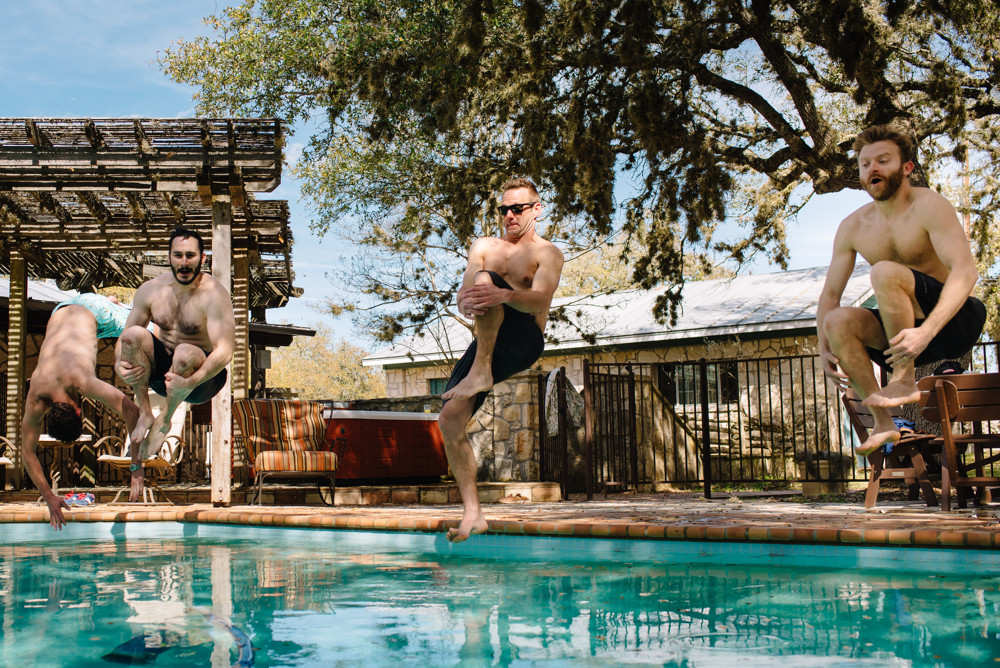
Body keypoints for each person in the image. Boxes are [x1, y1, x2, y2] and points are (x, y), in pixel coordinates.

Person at [817, 124, 985, 456]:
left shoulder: (929, 206)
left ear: (907, 168)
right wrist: (824, 348)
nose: (872, 169)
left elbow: (966, 272)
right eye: (865, 164)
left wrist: (927, 332)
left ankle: (903, 379)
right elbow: (830, 295)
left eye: (883, 160)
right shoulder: (853, 226)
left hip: (953, 323)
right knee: (835, 321)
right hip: (902, 337)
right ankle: (883, 425)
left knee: (885, 272)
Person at [439, 177, 565, 542]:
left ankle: (480, 372)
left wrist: (499, 294)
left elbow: (540, 300)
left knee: (487, 281)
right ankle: (474, 515)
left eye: (518, 208)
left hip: (523, 340)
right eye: (503, 209)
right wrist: (469, 301)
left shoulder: (547, 253)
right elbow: (466, 294)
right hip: (487, 344)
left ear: (536, 209)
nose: (509, 215)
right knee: (449, 422)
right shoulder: (484, 246)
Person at [115, 226, 235, 501]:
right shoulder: (151, 291)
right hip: (163, 376)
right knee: (132, 336)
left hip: (202, 378)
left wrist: (190, 381)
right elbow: (123, 344)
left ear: (202, 258)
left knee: (183, 352)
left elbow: (225, 351)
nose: (184, 262)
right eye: (178, 255)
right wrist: (122, 365)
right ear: (168, 256)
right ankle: (147, 413)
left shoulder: (214, 294)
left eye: (190, 255)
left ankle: (165, 418)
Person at [22, 293, 140, 529]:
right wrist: (49, 497)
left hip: (93, 309)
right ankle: (112, 301)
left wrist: (136, 467)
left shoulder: (81, 381)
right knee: (108, 328)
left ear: (78, 412)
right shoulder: (37, 392)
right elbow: (27, 452)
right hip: (60, 309)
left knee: (145, 326)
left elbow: (133, 411)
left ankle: (112, 304)